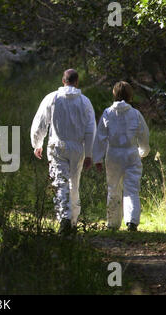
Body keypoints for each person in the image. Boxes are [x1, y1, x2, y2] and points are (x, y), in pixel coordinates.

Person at [30, 69, 96, 235]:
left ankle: (64, 219)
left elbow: (40, 123)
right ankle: (72, 221)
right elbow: (90, 129)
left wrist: (37, 143)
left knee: (60, 182)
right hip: (77, 148)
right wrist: (89, 153)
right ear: (77, 82)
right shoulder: (85, 102)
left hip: (57, 146)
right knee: (74, 183)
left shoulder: (52, 98)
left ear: (63, 80)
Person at [93, 81, 150, 232]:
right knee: (132, 188)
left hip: (113, 154)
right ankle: (131, 221)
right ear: (130, 95)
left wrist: (97, 158)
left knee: (113, 188)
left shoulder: (108, 113)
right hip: (131, 153)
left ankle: (112, 223)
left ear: (114, 94)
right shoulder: (135, 114)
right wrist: (143, 151)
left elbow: (100, 137)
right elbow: (144, 135)